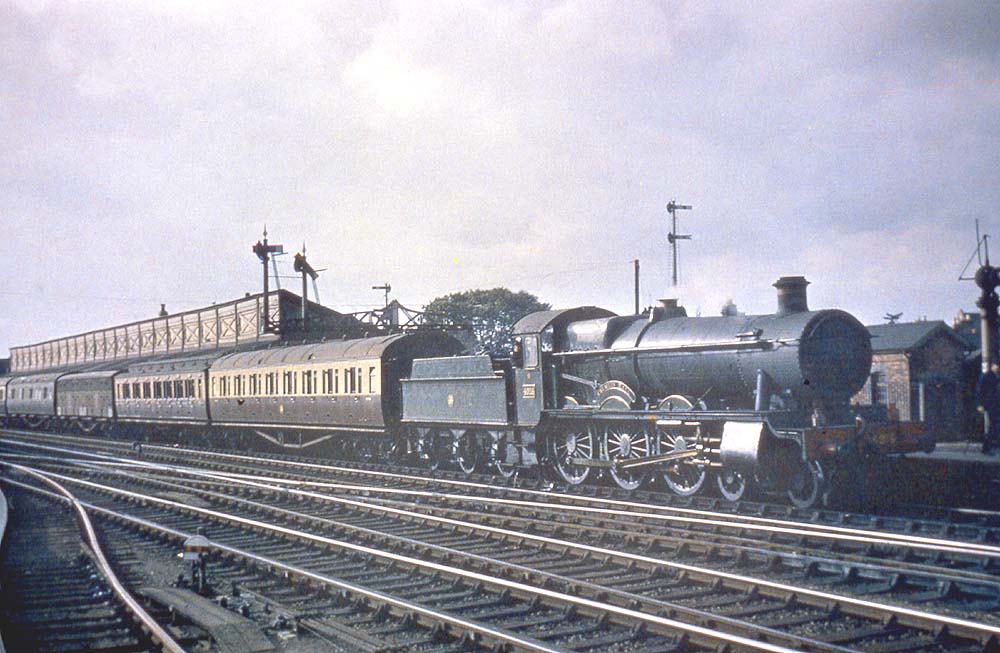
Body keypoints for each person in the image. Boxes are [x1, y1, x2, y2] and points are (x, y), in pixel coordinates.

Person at [975, 362, 1000, 454]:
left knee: (994, 426)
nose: (998, 368)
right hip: (989, 405)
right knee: (992, 426)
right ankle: (986, 448)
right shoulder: (986, 376)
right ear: (993, 366)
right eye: (997, 366)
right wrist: (979, 404)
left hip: (995, 405)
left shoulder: (996, 377)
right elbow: (979, 390)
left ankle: (989, 446)